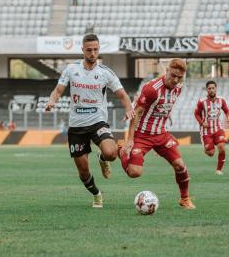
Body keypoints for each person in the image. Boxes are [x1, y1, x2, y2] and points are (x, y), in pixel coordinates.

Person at [45, 33, 135, 208]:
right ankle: (96, 194)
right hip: (77, 126)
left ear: (99, 49)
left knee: (111, 153)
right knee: (83, 171)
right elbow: (57, 90)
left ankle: (102, 158)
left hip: (98, 122)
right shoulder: (71, 69)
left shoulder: (105, 73)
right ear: (82, 51)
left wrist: (129, 109)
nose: (92, 53)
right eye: (89, 50)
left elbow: (123, 95)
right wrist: (51, 101)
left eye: (95, 49)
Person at [118, 58, 195, 209]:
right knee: (134, 172)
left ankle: (184, 199)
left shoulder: (178, 88)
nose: (175, 80)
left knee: (180, 165)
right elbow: (137, 113)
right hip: (142, 135)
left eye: (179, 77)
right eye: (172, 75)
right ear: (166, 71)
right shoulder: (152, 89)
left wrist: (167, 115)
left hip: (161, 135)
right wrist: (130, 140)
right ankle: (122, 152)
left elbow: (165, 105)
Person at [194, 81, 229, 175]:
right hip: (206, 131)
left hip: (218, 128)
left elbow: (227, 111)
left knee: (222, 147)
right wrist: (202, 123)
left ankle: (219, 170)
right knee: (210, 153)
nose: (211, 90)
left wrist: (228, 118)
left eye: (213, 88)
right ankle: (208, 147)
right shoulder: (202, 102)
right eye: (209, 88)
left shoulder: (221, 100)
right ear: (207, 90)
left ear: (216, 88)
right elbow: (196, 114)